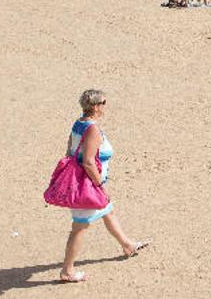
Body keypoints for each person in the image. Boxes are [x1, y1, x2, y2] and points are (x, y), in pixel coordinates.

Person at [60, 90, 149, 283]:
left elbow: (70, 150)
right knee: (80, 227)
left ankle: (127, 245)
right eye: (103, 102)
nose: (105, 105)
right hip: (87, 185)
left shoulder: (79, 123)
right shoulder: (92, 129)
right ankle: (67, 271)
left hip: (84, 181)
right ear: (95, 106)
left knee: (108, 211)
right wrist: (100, 185)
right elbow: (88, 162)